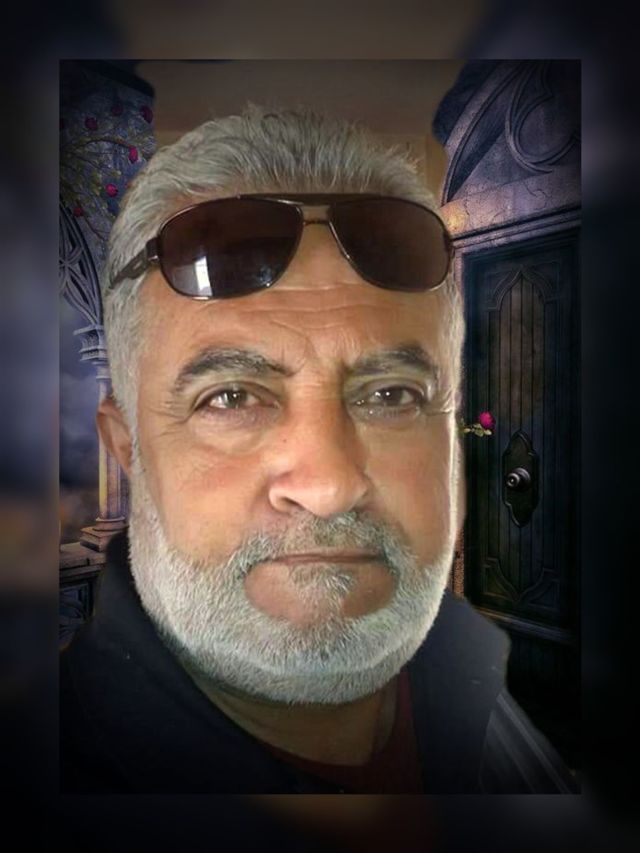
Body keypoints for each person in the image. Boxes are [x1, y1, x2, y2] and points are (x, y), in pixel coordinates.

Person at [60, 104, 578, 794]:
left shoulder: (477, 681)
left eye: (391, 394)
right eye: (231, 397)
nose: (329, 485)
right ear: (127, 449)